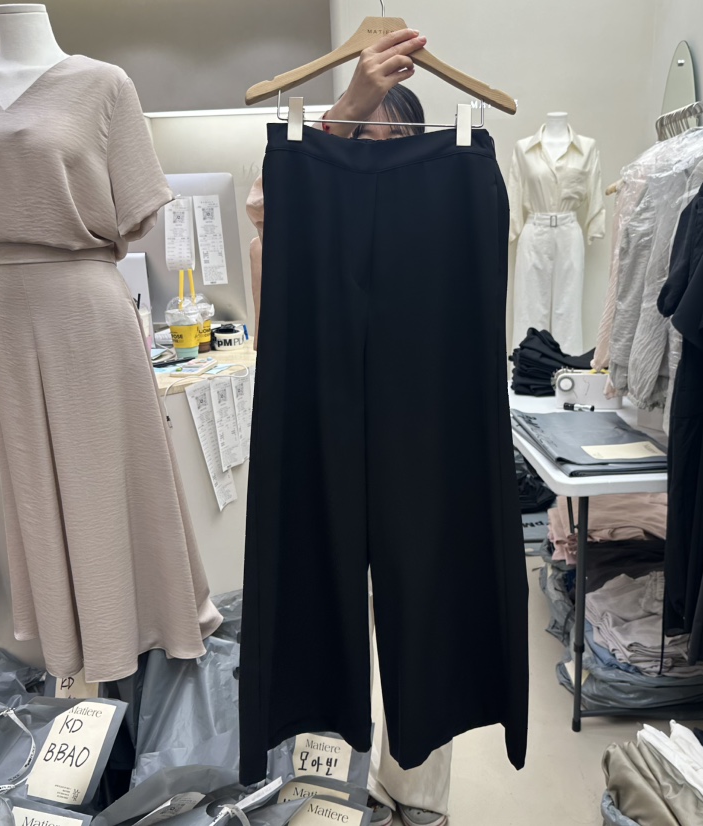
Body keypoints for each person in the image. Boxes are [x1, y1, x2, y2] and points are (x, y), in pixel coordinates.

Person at [246, 29, 451, 826]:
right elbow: (271, 207)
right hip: (321, 398)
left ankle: (418, 792)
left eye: (389, 144)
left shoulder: (440, 193)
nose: (372, 163)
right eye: (359, 144)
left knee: (425, 595)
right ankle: (332, 788)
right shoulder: (305, 183)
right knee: (320, 593)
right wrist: (347, 110)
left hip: (419, 403)